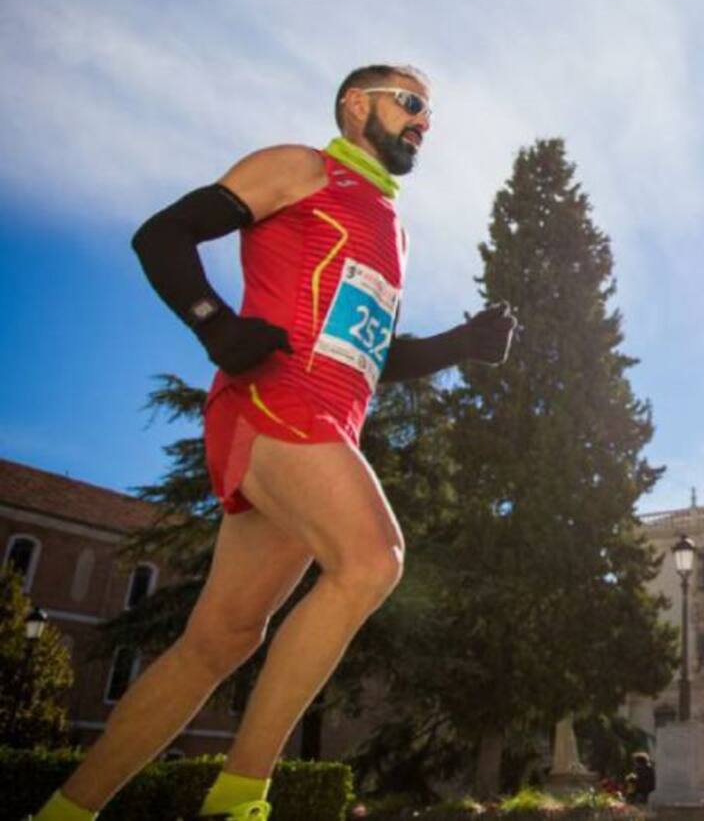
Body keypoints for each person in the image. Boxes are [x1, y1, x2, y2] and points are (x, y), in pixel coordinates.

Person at [30, 64, 516, 821]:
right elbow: (162, 234)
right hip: (274, 402)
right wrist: (213, 323)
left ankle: (64, 812)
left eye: (430, 112)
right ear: (356, 105)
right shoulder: (301, 167)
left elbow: (373, 356)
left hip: (327, 427)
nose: (424, 121)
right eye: (411, 103)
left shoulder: (390, 227)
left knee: (221, 639)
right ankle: (241, 798)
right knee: (372, 561)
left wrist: (462, 345)